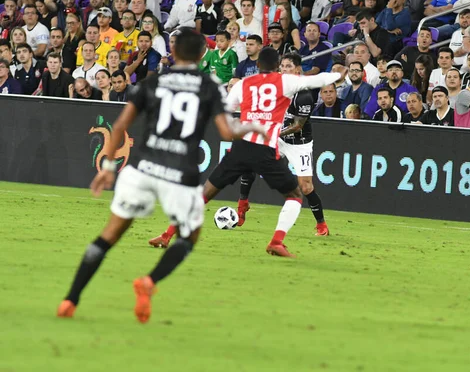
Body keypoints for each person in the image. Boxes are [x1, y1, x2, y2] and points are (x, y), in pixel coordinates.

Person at [56, 29, 263, 323]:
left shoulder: (154, 81)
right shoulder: (209, 85)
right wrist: (251, 128)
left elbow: (120, 126)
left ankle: (70, 300)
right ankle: (149, 282)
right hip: (180, 175)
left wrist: (109, 169)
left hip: (142, 169)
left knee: (108, 236)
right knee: (188, 237)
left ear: (175, 53)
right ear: (203, 54)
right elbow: (228, 131)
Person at [148, 47, 340, 256]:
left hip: (240, 148)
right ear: (277, 66)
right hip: (265, 150)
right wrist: (339, 74)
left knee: (203, 195)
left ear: (257, 65)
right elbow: (318, 80)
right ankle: (276, 241)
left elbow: (223, 109)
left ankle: (166, 235)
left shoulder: (243, 84)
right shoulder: (285, 82)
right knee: (294, 195)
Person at [234, 53, 331, 235]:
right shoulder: (274, 88)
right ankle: (242, 205)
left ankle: (321, 224)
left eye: (288, 66)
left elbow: (298, 126)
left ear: (297, 70)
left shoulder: (303, 95)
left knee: (306, 186)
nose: (284, 69)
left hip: (298, 142)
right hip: (277, 138)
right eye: (283, 66)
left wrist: (276, 131)